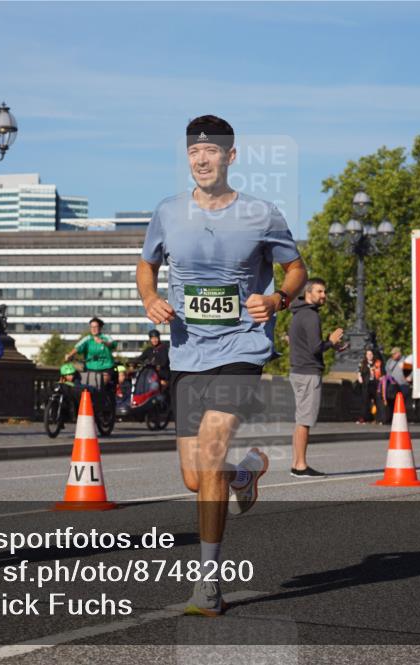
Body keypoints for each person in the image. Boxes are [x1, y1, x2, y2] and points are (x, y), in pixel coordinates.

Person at [137, 115, 307, 616]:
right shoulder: (168, 212)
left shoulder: (261, 214)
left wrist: (276, 299)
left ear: (231, 157)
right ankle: (244, 471)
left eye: (211, 151)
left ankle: (208, 584)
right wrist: (150, 298)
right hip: (189, 353)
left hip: (242, 349)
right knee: (196, 477)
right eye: (194, 152)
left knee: (209, 454)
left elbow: (295, 268)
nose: (202, 159)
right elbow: (148, 264)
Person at [288, 278, 345, 477]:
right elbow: (314, 348)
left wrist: (330, 345)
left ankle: (297, 463)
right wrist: (330, 341)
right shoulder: (311, 316)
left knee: (300, 420)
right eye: (319, 291)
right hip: (308, 373)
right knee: (305, 420)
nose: (324, 295)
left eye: (324, 291)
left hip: (298, 371)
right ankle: (301, 466)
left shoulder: (298, 314)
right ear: (308, 292)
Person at [65, 317, 116, 387]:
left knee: (101, 385)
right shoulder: (87, 339)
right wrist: (69, 355)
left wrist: (104, 342)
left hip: (106, 368)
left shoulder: (106, 337)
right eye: (91, 327)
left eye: (96, 327)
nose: (93, 329)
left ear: (100, 328)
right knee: (90, 388)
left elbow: (113, 344)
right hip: (91, 368)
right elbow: (78, 347)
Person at [355, 348, 377, 424]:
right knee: (365, 402)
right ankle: (362, 418)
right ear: (366, 355)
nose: (369, 356)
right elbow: (359, 372)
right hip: (366, 385)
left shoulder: (376, 363)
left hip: (374, 384)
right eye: (368, 354)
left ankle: (375, 418)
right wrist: (360, 378)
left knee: (376, 402)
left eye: (371, 354)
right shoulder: (362, 363)